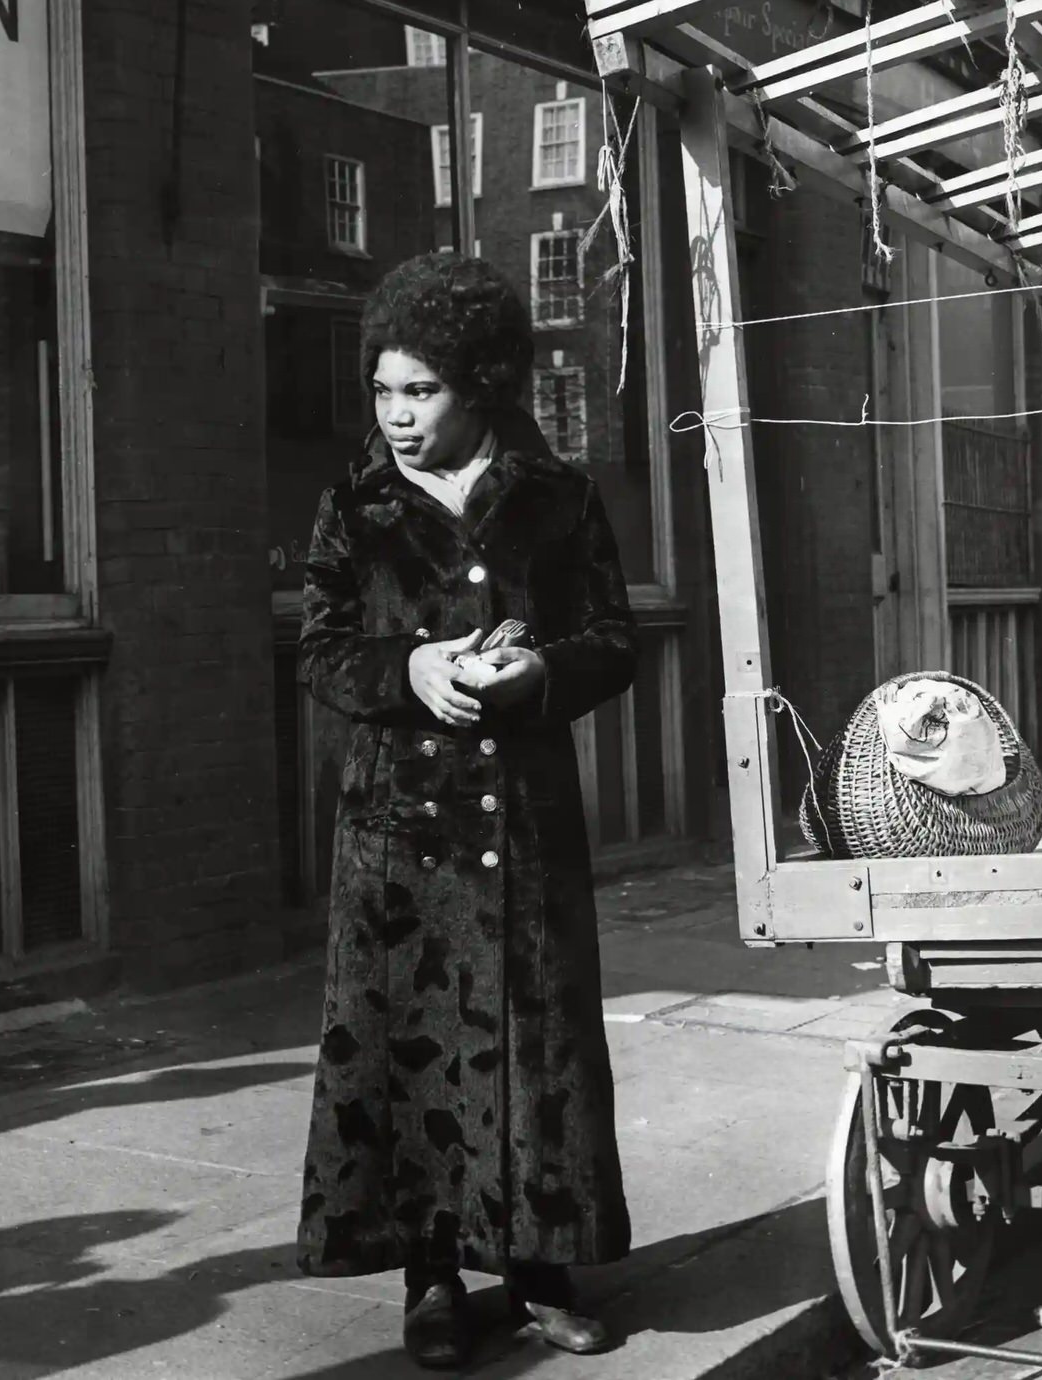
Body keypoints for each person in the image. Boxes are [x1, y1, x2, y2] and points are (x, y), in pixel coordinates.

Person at [294, 251, 638, 1368]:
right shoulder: (355, 504)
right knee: (408, 1045)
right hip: (400, 833)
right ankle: (430, 1275)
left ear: (480, 384)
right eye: (383, 390)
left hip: (524, 824)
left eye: (420, 391)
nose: (396, 415)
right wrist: (412, 669)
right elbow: (325, 648)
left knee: (536, 1039)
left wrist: (537, 672)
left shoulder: (559, 497)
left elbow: (612, 641)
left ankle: (539, 1263)